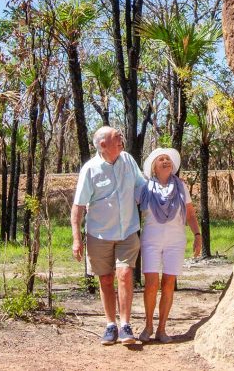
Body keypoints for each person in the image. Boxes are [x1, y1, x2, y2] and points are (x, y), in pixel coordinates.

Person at [71, 126, 146, 345]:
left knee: (125, 274)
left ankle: (125, 325)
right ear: (103, 145)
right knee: (105, 279)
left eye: (120, 135)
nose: (121, 138)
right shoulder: (90, 169)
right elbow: (78, 207)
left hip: (128, 231)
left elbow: (141, 186)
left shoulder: (128, 160)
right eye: (116, 137)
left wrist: (164, 192)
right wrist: (76, 239)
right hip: (99, 234)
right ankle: (110, 325)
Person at [136, 147, 202, 344]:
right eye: (161, 159)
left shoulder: (181, 187)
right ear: (154, 167)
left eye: (168, 159)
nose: (165, 161)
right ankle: (148, 326)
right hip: (151, 240)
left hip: (175, 241)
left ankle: (162, 329)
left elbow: (190, 214)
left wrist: (197, 235)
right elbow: (129, 209)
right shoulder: (144, 188)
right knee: (151, 284)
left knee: (168, 283)